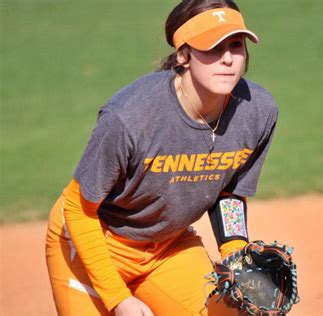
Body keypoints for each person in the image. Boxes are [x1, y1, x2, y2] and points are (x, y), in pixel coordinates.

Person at [45, 0, 278, 315]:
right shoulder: (131, 117)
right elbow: (78, 209)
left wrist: (236, 256)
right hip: (93, 244)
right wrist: (118, 299)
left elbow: (229, 193)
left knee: (229, 311)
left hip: (169, 246)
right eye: (212, 47)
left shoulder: (258, 112)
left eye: (236, 45)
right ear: (183, 55)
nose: (226, 59)